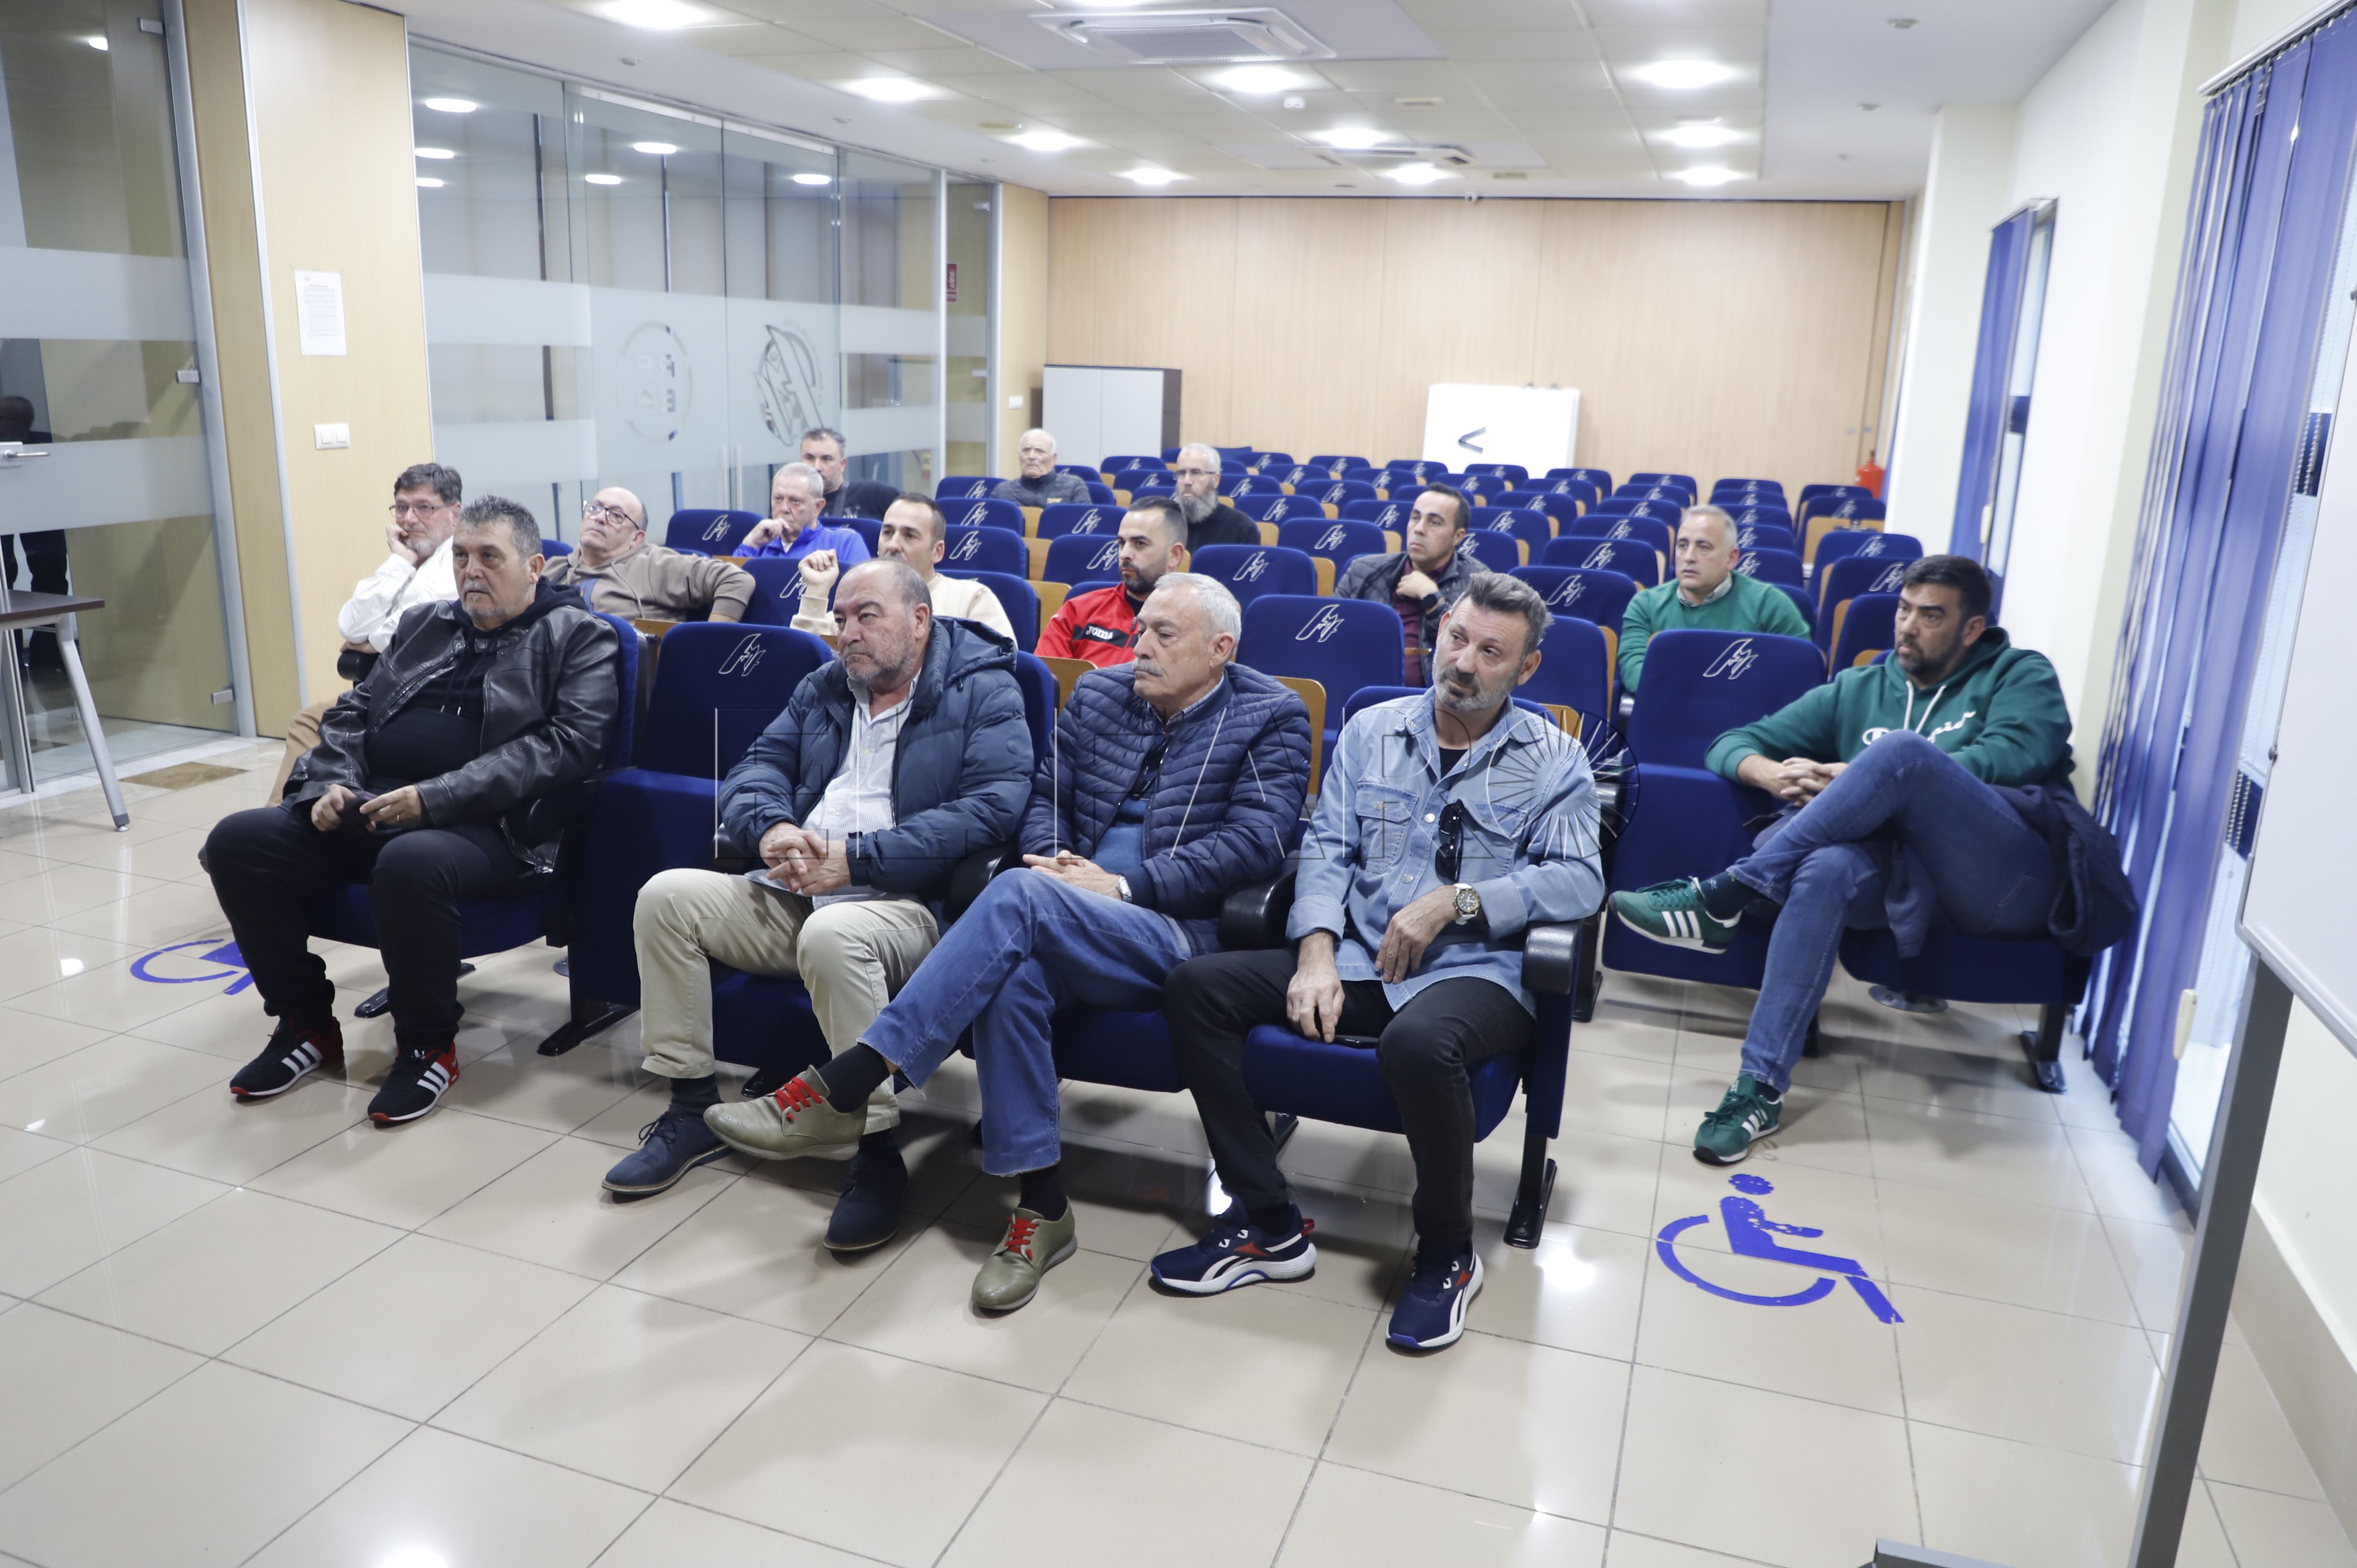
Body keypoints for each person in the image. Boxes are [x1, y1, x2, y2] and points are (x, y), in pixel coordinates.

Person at [704, 574, 1311, 1311]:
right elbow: (1046, 798)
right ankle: (1043, 1209)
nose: (1139, 646)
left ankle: (853, 1079)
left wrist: (1122, 887)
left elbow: (1257, 842)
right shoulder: (1100, 695)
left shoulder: (1268, 715)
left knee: (1018, 898)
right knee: (1012, 971)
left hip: (1175, 930)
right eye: (1139, 629)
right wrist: (1057, 862)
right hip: (1061, 915)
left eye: (1163, 635)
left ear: (1222, 650)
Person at [1152, 571, 1603, 1353]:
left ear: (1525, 670)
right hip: (1361, 958)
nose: (1463, 662)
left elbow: (1579, 879)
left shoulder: (1555, 757)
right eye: (1456, 638)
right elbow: (1326, 846)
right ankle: (1268, 1224)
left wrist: (1454, 902)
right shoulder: (1372, 729)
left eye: (1491, 652)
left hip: (1478, 973)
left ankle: (1446, 1255)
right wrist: (1316, 951)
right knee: (1197, 988)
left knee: (1418, 1043)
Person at [609, 558, 1033, 1245]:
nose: (849, 633)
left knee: (834, 934)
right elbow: (753, 768)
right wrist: (772, 826)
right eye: (840, 618)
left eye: (869, 615)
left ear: (919, 620)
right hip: (802, 885)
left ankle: (875, 1150)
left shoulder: (983, 687)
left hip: (908, 904)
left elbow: (991, 810)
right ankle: (689, 1105)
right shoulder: (826, 684)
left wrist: (858, 858)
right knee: (666, 897)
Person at [1610, 555, 2076, 1166]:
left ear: (1971, 628)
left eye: (1929, 615)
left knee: (1903, 756)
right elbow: (1731, 742)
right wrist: (1773, 774)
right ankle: (1758, 1088)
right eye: (1903, 609)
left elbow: (2012, 756)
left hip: (1999, 880)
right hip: (1900, 884)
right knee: (1824, 868)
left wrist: (1862, 774)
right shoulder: (1862, 687)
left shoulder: (2019, 673)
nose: (1906, 626)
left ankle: (1726, 894)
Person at [205, 497, 619, 1126]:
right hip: (377, 807)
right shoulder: (427, 623)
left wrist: (435, 797)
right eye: (460, 556)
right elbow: (348, 713)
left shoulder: (577, 636)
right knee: (239, 840)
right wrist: (329, 785)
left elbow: (568, 747)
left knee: (410, 860)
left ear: (534, 565)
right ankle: (306, 1025)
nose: (470, 570)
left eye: (489, 557)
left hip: (496, 828)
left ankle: (427, 1044)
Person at [270, 463, 465, 800]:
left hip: (430, 692)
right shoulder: (408, 559)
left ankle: (282, 819)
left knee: (314, 720)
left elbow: (407, 629)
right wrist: (399, 562)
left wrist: (368, 644)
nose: (409, 519)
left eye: (423, 508)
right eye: (402, 508)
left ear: (454, 513)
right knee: (313, 720)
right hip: (388, 687)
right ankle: (289, 816)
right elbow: (350, 624)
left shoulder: (458, 559)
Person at [1618, 504, 1810, 692]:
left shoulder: (1770, 605)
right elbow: (1636, 677)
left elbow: (1801, 673)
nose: (1689, 557)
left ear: (1732, 558)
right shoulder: (1645, 606)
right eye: (1683, 546)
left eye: (1703, 547)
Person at [790, 492, 1015, 642]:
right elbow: (806, 662)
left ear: (937, 551)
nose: (894, 545)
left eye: (910, 536)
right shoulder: (854, 599)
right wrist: (817, 591)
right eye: (887, 533)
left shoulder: (971, 599)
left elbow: (999, 669)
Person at [542, 487, 754, 623]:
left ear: (637, 538)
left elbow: (736, 579)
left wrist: (712, 641)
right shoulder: (556, 568)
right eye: (595, 508)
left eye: (615, 515)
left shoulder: (655, 564)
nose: (599, 518)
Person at [1335, 484, 1477, 684]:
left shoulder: (1477, 584)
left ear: (1458, 536)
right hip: (1362, 690)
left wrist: (1433, 601)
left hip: (1437, 703)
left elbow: (1469, 653)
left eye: (1434, 523)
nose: (1419, 529)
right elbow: (1333, 637)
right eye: (1415, 518)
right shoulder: (1363, 571)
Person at [1035, 496, 1189, 668]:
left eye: (1140, 543)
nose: (1125, 554)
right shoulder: (1077, 611)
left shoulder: (1191, 623)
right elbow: (1049, 684)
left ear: (1174, 556)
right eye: (1122, 543)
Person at [743, 463, 873, 566]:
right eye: (778, 499)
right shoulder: (760, 543)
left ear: (818, 507)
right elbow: (732, 590)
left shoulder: (845, 542)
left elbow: (863, 593)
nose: (784, 509)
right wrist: (750, 545)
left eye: (795, 501)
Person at [1169, 441, 1259, 551]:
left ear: (1216, 480)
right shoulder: (1165, 523)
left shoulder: (1241, 527)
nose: (1187, 481)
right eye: (1182, 473)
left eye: (1196, 473)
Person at [799, 425, 900, 520]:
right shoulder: (788, 503)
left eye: (826, 459)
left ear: (842, 464)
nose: (817, 467)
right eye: (810, 458)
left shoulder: (872, 495)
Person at [991, 429, 1092, 508]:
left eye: (1039, 451)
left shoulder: (1074, 487)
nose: (1031, 456)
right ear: (1019, 457)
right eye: (1026, 450)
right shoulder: (1002, 491)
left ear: (1053, 459)